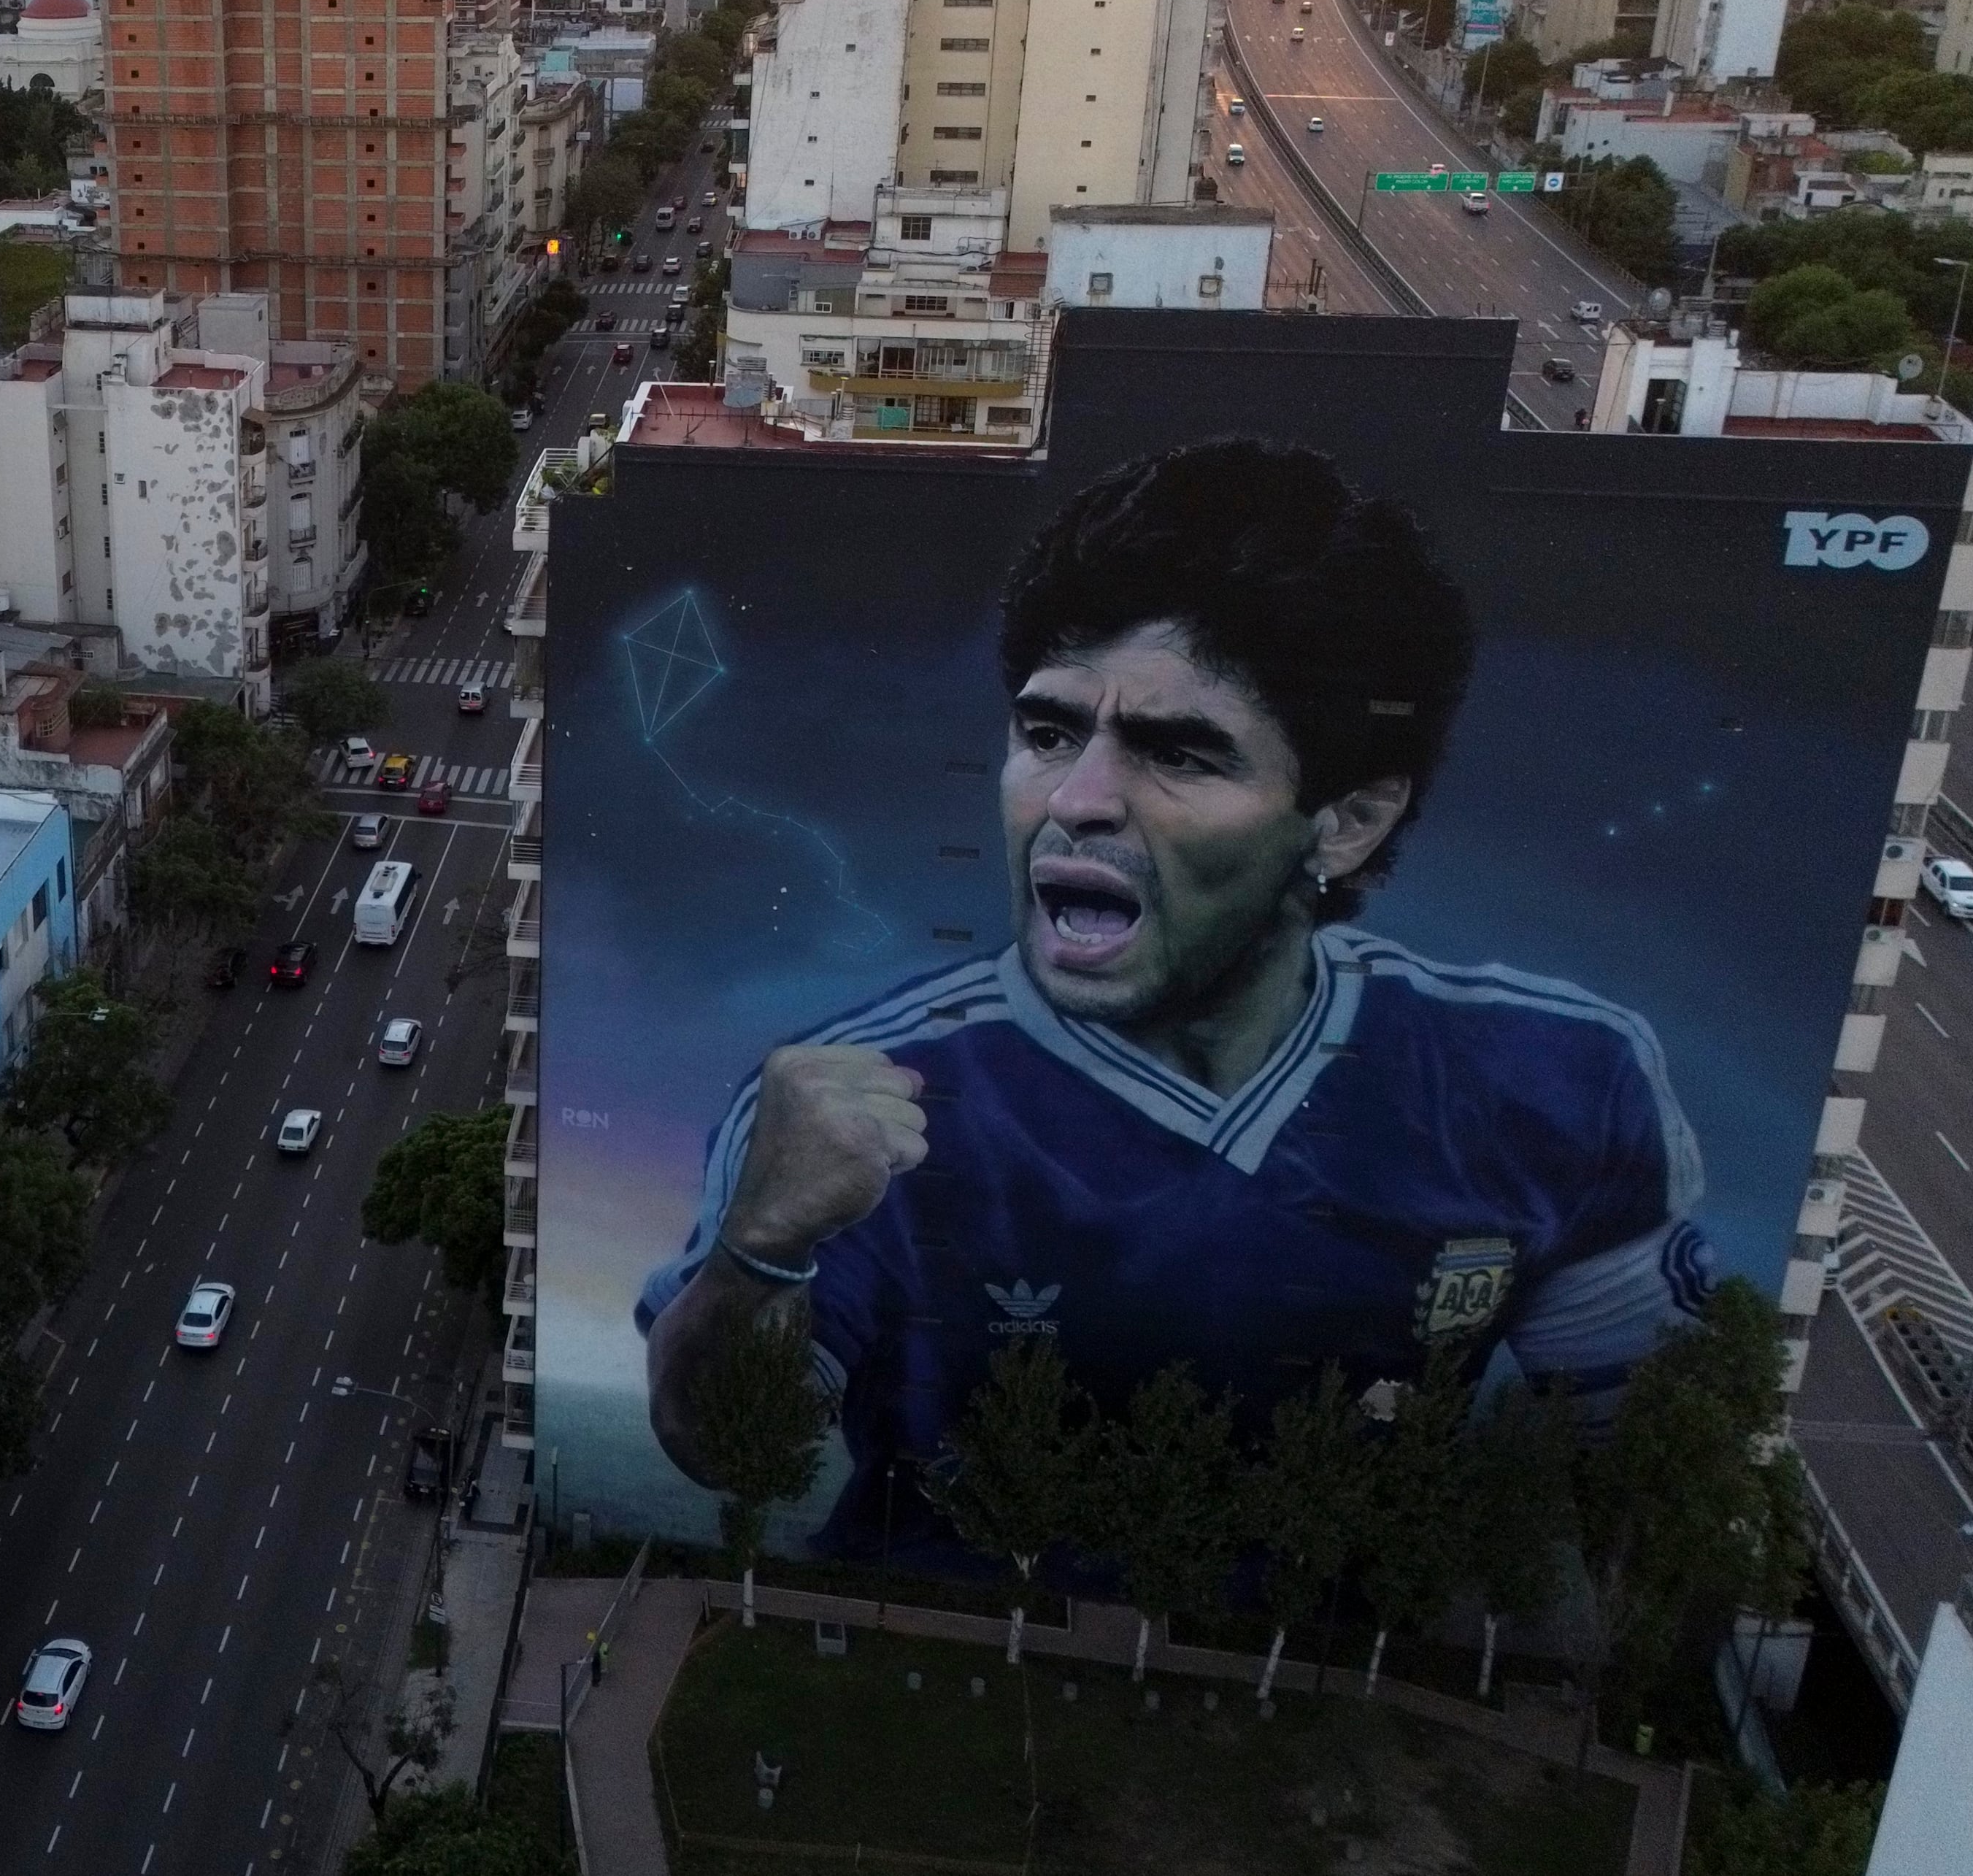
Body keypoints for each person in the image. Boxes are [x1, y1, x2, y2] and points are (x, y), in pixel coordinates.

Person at [637, 439, 1711, 1553]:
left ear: (1348, 820)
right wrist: (759, 1247)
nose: (1079, 799)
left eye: (1182, 755)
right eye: (1048, 732)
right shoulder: (857, 1101)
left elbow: (1635, 1476)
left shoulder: (1555, 1082)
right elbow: (720, 1445)